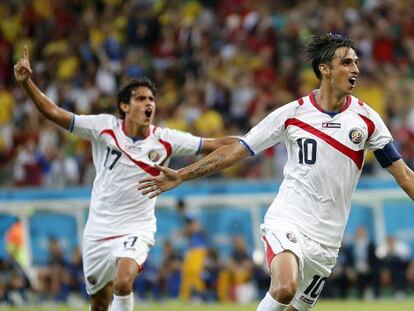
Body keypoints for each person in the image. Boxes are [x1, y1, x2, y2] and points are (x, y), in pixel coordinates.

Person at [139, 33, 414, 310]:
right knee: (283, 288)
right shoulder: (291, 114)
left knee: (293, 306)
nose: (355, 69)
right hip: (289, 219)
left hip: (328, 240)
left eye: (356, 62)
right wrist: (183, 174)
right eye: (346, 63)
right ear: (325, 69)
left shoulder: (367, 120)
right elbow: (237, 149)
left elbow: (404, 175)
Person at [14, 46, 239, 311]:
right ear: (124, 106)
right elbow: (53, 112)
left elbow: (217, 143)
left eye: (151, 99)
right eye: (141, 99)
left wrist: (254, 141)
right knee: (99, 303)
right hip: (98, 230)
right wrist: (27, 83)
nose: (149, 104)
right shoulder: (103, 127)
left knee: (124, 281)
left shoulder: (166, 139)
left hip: (136, 227)